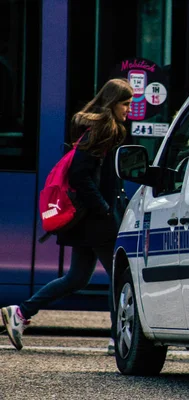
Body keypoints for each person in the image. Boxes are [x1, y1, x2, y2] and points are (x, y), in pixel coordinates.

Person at [1, 78, 133, 351]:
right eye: (126, 103)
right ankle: (118, 337)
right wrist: (105, 209)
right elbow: (80, 175)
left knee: (77, 278)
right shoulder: (105, 129)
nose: (128, 109)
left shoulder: (99, 129)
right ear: (113, 103)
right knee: (120, 277)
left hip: (91, 219)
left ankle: (21, 313)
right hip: (98, 220)